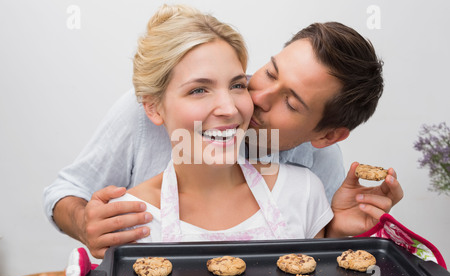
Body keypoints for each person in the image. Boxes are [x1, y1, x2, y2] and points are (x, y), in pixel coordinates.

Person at [43, 7, 403, 258]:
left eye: (291, 104)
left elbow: (314, 259)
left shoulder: (311, 173)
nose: (251, 99)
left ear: (326, 136)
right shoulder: (144, 112)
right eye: (270, 72)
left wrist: (338, 232)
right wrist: (84, 222)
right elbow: (66, 191)